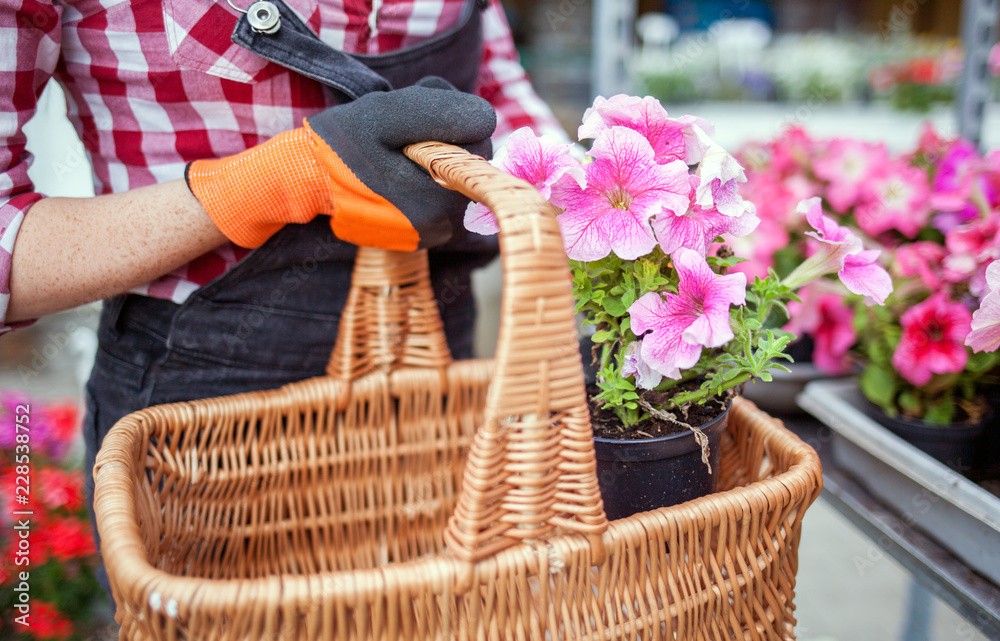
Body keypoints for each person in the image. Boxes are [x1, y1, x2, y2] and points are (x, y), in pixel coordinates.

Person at [0, 0, 564, 592]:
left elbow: (503, 99)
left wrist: (612, 201)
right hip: (204, 405)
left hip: (429, 369)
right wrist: (279, 180)